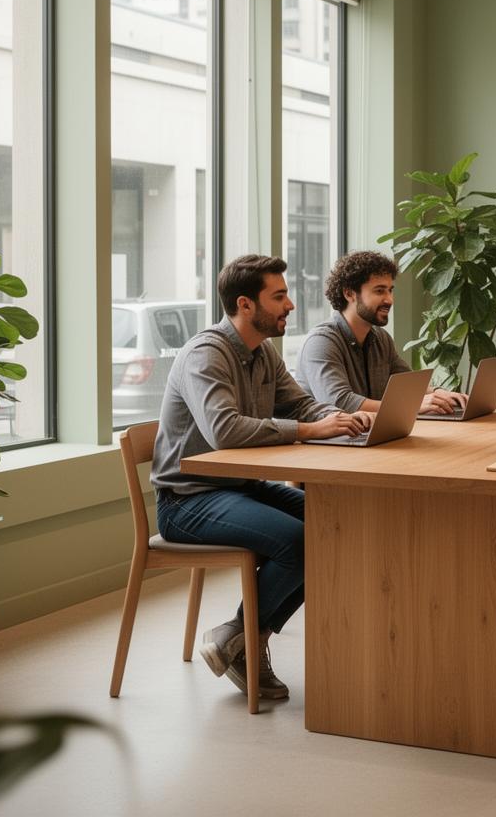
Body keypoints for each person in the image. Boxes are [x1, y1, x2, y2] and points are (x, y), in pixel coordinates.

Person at [151, 254, 371, 701]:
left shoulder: (262, 352)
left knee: (337, 524)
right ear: (246, 304)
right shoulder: (205, 354)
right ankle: (246, 640)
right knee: (298, 541)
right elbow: (224, 430)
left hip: (239, 488)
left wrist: (339, 419)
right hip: (187, 501)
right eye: (279, 296)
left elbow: (300, 405)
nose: (290, 305)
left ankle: (239, 636)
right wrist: (312, 430)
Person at [296, 250, 467, 415]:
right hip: (325, 442)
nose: (389, 300)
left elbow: (407, 384)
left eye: (390, 290)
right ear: (349, 293)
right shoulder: (321, 342)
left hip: (368, 435)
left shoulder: (381, 338)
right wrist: (411, 405)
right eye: (379, 291)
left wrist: (439, 393)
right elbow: (340, 402)